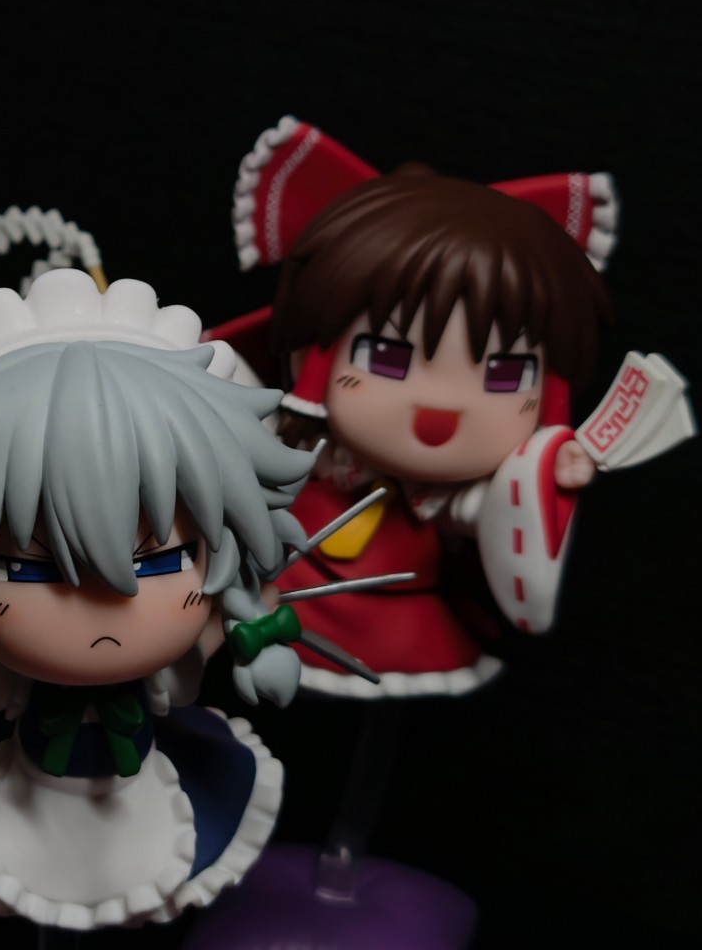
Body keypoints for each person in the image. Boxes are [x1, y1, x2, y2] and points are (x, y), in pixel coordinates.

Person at [0, 269, 316, 929]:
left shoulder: (200, 625)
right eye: (26, 568)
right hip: (23, 790)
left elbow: (220, 630)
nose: (102, 613)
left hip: (144, 791)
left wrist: (253, 611)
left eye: (163, 560)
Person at [226, 116, 617, 696]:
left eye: (506, 374)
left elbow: (500, 520)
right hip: (277, 599)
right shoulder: (301, 448)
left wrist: (544, 479)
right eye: (385, 356)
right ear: (313, 348)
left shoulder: (447, 499)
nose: (441, 407)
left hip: (399, 626)